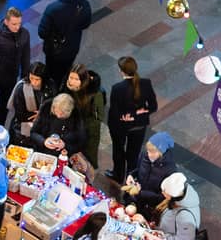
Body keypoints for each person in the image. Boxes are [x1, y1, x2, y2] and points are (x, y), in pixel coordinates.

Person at [36, 0, 92, 89]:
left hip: (53, 51)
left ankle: (51, 92)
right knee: (65, 73)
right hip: (71, 50)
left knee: (51, 74)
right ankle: (63, 90)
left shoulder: (52, 9)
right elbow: (86, 24)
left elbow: (42, 32)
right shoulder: (84, 6)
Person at [107, 55, 157, 183]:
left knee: (118, 151)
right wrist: (139, 113)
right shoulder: (146, 83)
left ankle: (118, 175)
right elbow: (153, 106)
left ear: (121, 71)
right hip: (139, 126)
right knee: (133, 154)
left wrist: (127, 117)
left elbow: (114, 112)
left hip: (120, 128)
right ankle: (131, 179)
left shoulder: (117, 88)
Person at [0, 7, 30, 127]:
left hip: (10, 79)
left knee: (4, 108)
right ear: (6, 21)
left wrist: (25, 78)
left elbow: (26, 57)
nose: (17, 27)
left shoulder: (24, 34)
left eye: (19, 23)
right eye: (14, 24)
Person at [119, 132, 177, 212]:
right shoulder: (144, 154)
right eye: (148, 150)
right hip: (134, 199)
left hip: (149, 207)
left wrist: (141, 193)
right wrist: (131, 175)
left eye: (153, 152)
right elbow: (137, 169)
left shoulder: (170, 170)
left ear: (161, 152)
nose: (149, 154)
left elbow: (163, 196)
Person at [27, 92, 86, 160]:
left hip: (63, 157)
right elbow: (33, 133)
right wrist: (43, 141)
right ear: (53, 107)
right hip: (42, 153)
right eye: (56, 112)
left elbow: (81, 143)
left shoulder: (76, 117)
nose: (58, 116)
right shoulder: (46, 108)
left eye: (62, 114)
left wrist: (65, 145)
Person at [154, 172, 200, 240]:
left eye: (165, 192)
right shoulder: (181, 196)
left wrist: (161, 238)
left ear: (173, 196)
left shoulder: (185, 217)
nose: (162, 193)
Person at [71, 66, 104, 174]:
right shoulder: (71, 88)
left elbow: (99, 117)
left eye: (76, 79)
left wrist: (81, 126)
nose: (72, 81)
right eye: (71, 78)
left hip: (88, 131)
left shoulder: (95, 95)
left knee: (87, 160)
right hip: (75, 128)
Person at [9, 61, 44, 145]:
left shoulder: (49, 87)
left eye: (37, 79)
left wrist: (41, 114)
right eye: (31, 78)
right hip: (24, 122)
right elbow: (19, 113)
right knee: (24, 144)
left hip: (42, 123)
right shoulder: (22, 88)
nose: (34, 82)